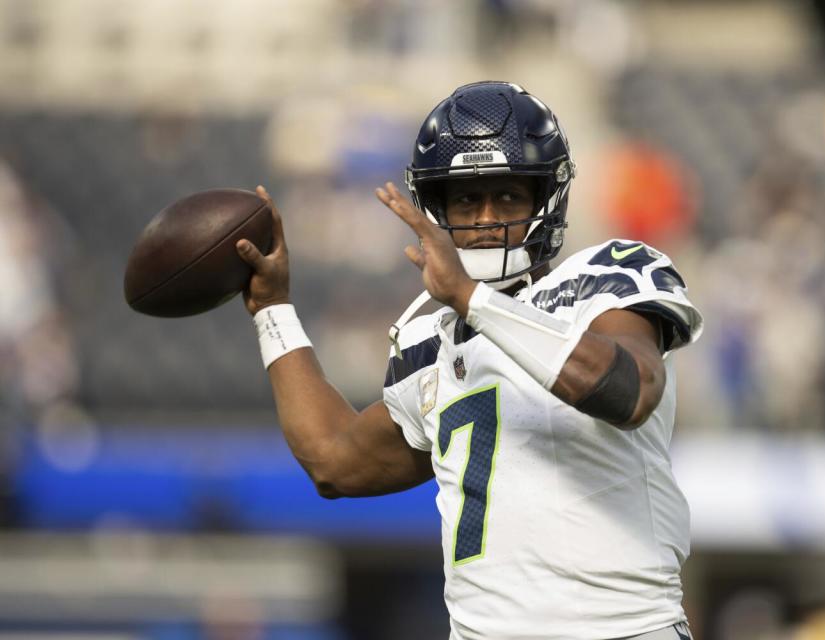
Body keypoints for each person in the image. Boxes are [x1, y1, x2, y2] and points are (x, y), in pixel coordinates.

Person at [236, 81, 703, 640]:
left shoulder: (606, 278)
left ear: (544, 199)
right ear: (438, 211)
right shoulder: (430, 343)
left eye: (507, 197)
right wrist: (272, 308)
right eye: (465, 200)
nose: (485, 218)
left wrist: (473, 301)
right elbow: (335, 462)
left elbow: (629, 392)